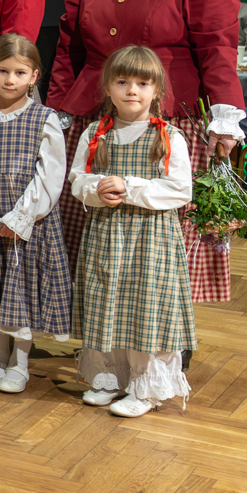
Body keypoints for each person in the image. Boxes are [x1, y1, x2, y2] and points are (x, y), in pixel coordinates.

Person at [47, 0, 243, 308]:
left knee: (165, 225)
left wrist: (225, 115)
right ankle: (100, 315)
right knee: (95, 213)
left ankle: (163, 322)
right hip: (97, 113)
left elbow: (218, 47)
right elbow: (69, 51)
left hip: (167, 115)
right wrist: (57, 110)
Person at [68, 46, 195, 418]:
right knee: (106, 303)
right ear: (108, 87)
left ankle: (145, 386)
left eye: (142, 83)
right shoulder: (96, 133)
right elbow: (77, 179)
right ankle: (109, 376)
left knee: (144, 308)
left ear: (157, 90)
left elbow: (179, 189)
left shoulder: (168, 137)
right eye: (122, 82)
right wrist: (96, 189)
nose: (131, 90)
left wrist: (129, 187)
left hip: (149, 238)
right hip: (106, 235)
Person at [0, 34, 71, 394]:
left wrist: (19, 219)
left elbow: (49, 176)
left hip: (28, 223)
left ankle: (19, 362)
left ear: (34, 76)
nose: (10, 80)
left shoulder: (45, 119)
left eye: (19, 73)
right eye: (3, 71)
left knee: (22, 290)